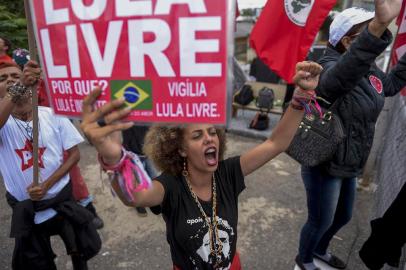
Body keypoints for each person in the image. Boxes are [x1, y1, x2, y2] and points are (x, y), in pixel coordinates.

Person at [80, 61, 322, 269]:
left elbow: (276, 142)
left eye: (212, 132)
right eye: (197, 136)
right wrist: (113, 159)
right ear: (181, 149)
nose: (209, 138)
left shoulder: (228, 173)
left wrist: (301, 95)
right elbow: (136, 196)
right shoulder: (170, 186)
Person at [295, 1, 406, 270]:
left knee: (343, 216)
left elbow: (387, 86)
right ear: (347, 41)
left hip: (349, 161)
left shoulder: (367, 67)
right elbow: (338, 80)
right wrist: (378, 26)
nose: (375, 35)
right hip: (325, 161)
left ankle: (320, 250)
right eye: (367, 31)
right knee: (319, 220)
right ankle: (305, 259)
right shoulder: (328, 66)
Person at [0, 61, 101, 270]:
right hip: (26, 207)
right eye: (3, 78)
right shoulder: (4, 124)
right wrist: (18, 86)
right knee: (39, 261)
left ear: (32, 83)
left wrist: (47, 184)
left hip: (60, 197)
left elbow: (74, 155)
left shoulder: (51, 114)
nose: (10, 79)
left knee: (78, 249)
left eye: (15, 76)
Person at [10, 48, 105, 229]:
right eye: (23, 68)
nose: (28, 72)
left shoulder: (43, 85)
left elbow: (58, 101)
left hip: (53, 132)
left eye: (31, 67)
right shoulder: (12, 95)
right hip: (28, 146)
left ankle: (88, 210)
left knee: (71, 173)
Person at [122, 125, 159, 217]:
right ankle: (139, 203)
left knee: (154, 177)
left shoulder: (143, 114)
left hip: (146, 152)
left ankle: (156, 200)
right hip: (131, 156)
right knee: (137, 181)